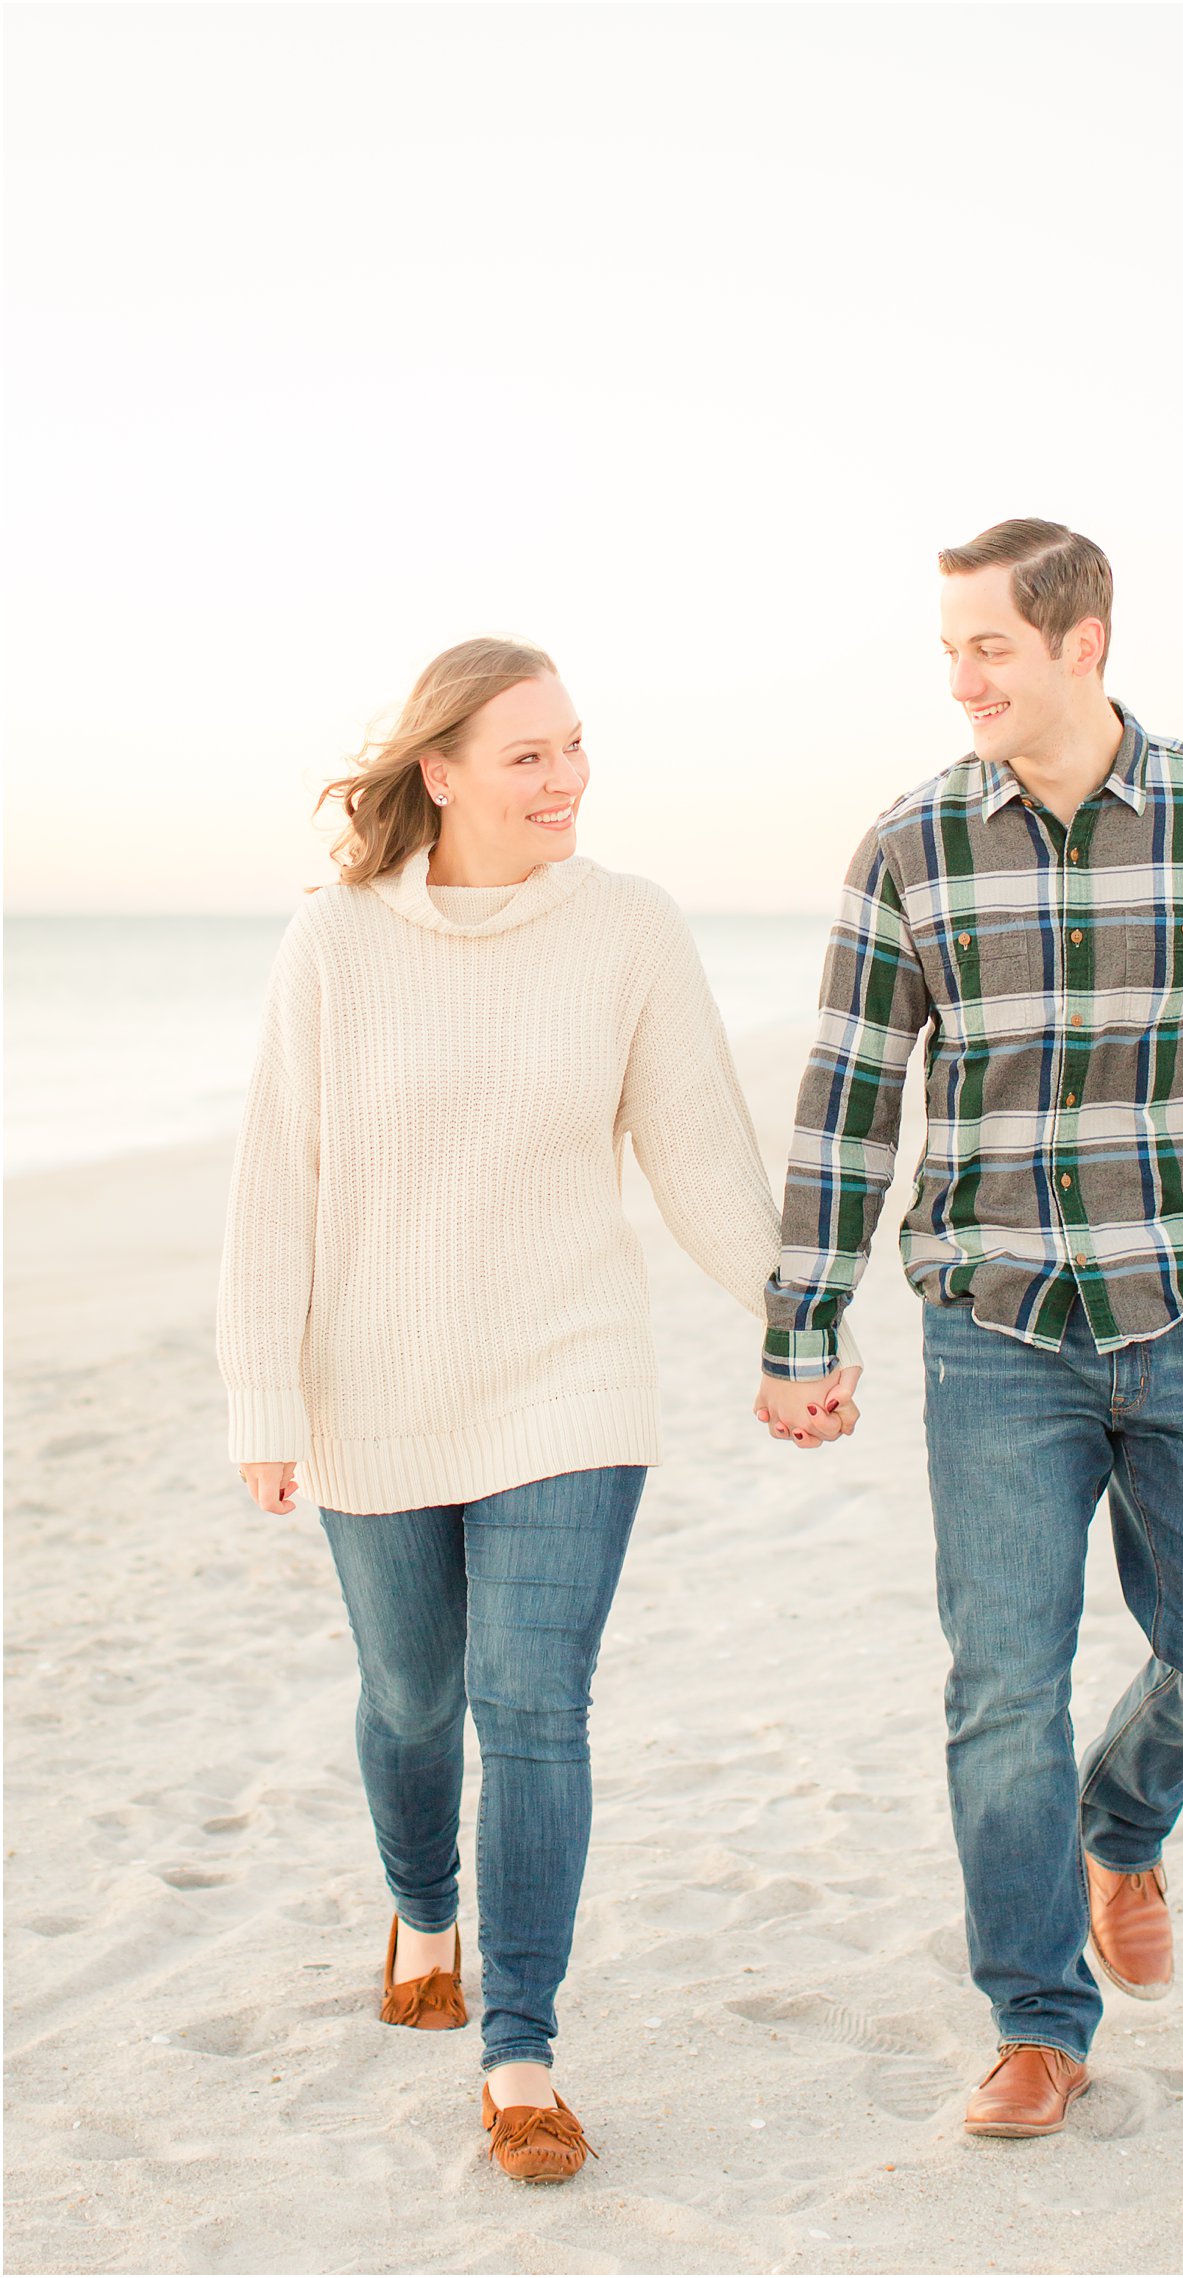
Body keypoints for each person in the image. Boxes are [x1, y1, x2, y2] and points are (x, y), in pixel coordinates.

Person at [756, 519, 1183, 2138]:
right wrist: (804, 1322)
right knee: (1000, 1687)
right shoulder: (908, 847)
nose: (961, 677)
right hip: (994, 1329)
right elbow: (847, 1104)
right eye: (950, 648)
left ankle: (1124, 1817)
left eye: (990, 645)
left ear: (1083, 641)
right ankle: (1039, 2022)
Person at [216, 637, 859, 2182]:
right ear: (438, 771)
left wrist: (803, 1317)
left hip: (571, 1382)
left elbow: (701, 1153)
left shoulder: (630, 928)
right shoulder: (338, 945)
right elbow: (275, 1186)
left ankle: (521, 2050)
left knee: (536, 1707)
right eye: (529, 755)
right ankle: (420, 1908)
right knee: (415, 1701)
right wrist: (264, 1393)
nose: (567, 778)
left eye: (577, 746)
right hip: (374, 1385)